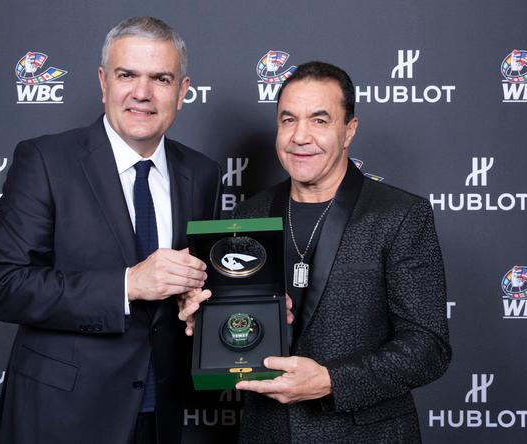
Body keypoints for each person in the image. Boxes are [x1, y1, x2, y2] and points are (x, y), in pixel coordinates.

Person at [0, 17, 220, 444]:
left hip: (161, 415)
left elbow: (195, 290)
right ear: (103, 82)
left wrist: (198, 306)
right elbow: (3, 284)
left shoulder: (201, 172)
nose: (142, 93)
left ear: (183, 91)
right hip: (63, 417)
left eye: (161, 79)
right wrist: (128, 285)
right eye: (127, 75)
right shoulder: (45, 160)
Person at [179, 61, 450, 443]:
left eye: (319, 120)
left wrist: (330, 381)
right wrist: (206, 317)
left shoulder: (401, 215)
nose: (300, 136)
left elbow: (428, 347)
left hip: (366, 435)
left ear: (349, 130)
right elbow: (238, 321)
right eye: (288, 120)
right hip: (267, 432)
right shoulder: (248, 215)